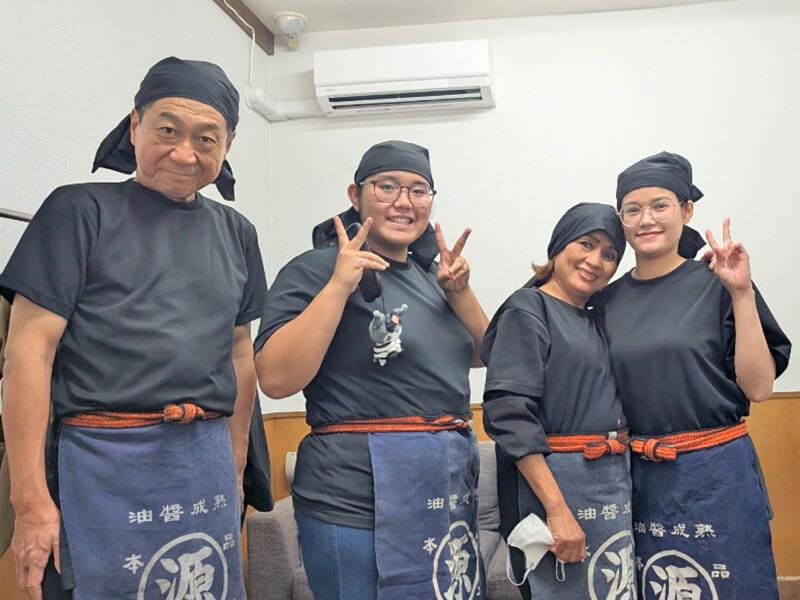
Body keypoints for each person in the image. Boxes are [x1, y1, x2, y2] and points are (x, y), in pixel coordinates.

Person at [0, 56, 266, 599]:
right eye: (167, 129)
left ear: (228, 146)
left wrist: (235, 464)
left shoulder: (237, 232)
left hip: (203, 464)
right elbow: (28, 351)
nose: (184, 153)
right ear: (134, 124)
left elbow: (240, 354)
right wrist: (29, 501)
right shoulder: (78, 210)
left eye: (207, 138)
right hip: (98, 465)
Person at [254, 140, 489, 600]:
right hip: (353, 500)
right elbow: (276, 380)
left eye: (419, 190)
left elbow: (490, 357)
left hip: (440, 489)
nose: (404, 201)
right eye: (387, 186)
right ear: (354, 194)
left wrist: (460, 292)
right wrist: (340, 286)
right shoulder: (314, 270)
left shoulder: (431, 276)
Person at [593, 151, 791, 599]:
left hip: (718, 472)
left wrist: (740, 293)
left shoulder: (718, 282)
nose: (647, 219)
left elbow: (759, 389)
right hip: (639, 475)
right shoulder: (606, 301)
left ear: (686, 210)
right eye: (632, 209)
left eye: (660, 205)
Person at [481, 203, 635, 599]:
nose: (595, 261)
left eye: (609, 254)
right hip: (553, 488)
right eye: (586, 244)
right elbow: (510, 415)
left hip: (609, 482)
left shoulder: (598, 316)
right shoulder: (527, 309)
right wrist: (558, 510)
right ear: (558, 245)